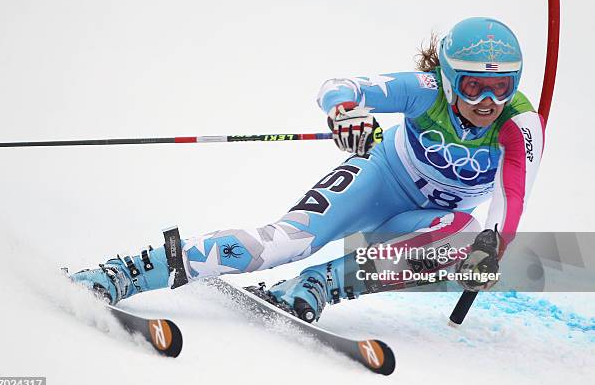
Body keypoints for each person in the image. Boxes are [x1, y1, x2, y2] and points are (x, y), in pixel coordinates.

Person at [71, 17, 545, 322]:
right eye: (474, 86)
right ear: (448, 78)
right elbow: (339, 86)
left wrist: (491, 250)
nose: (488, 102)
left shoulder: (520, 123)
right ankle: (127, 272)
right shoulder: (424, 90)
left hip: (425, 225)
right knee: (283, 242)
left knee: (466, 236)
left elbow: (512, 198)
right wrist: (346, 112)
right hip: (379, 180)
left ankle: (317, 286)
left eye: (501, 87)